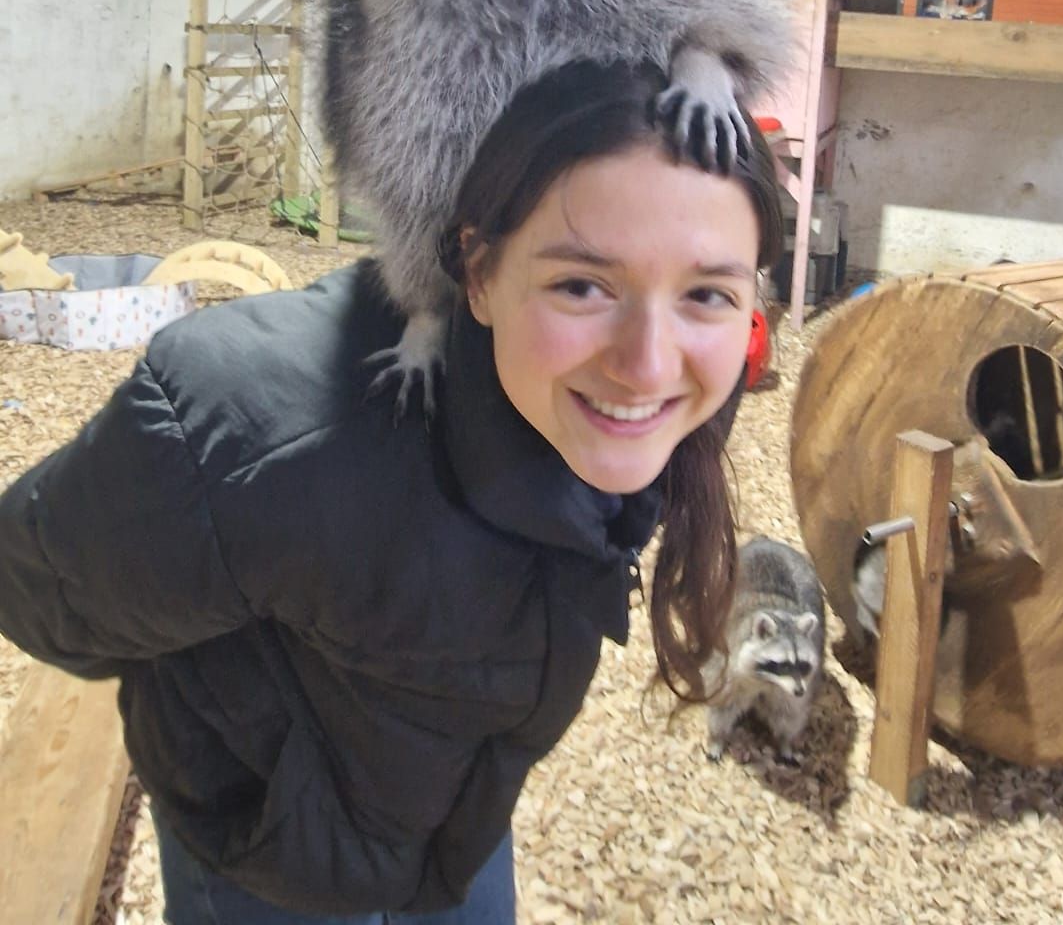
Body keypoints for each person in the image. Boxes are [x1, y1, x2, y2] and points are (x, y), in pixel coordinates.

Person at [0, 60, 783, 925]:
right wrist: (234, 692)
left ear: (752, 304)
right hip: (260, 854)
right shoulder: (260, 423)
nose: (647, 364)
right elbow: (45, 594)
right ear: (475, 270)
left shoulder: (661, 414)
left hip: (452, 825)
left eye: (707, 293)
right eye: (581, 284)